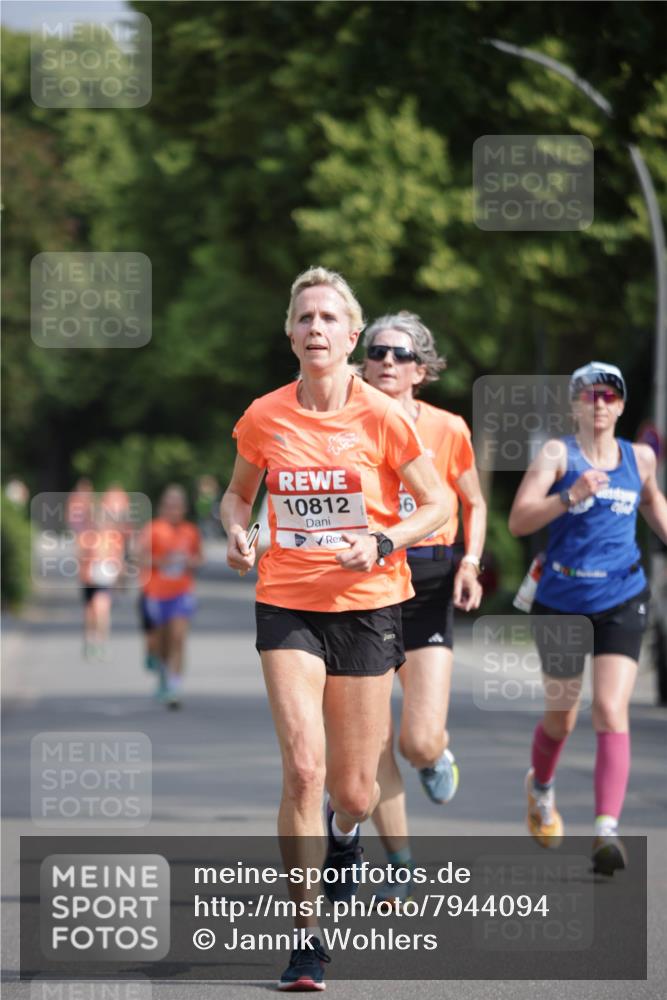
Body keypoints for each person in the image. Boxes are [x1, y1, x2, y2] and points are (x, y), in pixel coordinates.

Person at [221, 267, 448, 990]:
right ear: (290, 334)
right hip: (287, 602)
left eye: (327, 318)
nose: (315, 328)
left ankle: (345, 833)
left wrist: (382, 542)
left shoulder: (383, 416)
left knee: (352, 791)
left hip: (367, 605)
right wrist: (238, 534)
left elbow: (437, 503)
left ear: (350, 336)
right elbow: (237, 495)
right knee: (303, 769)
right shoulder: (265, 415)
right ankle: (305, 936)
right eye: (304, 317)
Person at [508, 361, 667, 875]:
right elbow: (519, 520)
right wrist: (569, 495)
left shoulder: (640, 458)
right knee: (563, 716)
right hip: (561, 599)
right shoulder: (558, 455)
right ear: (575, 404)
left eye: (609, 395)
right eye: (589, 395)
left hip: (622, 596)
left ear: (621, 406)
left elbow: (654, 505)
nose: (599, 404)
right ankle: (542, 787)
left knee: (611, 709)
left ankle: (606, 830)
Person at [361, 311, 487, 900]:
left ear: (422, 370)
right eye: (377, 351)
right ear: (363, 364)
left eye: (402, 354)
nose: (388, 361)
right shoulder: (346, 425)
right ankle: (400, 860)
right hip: (366, 584)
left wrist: (470, 562)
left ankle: (435, 755)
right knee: (372, 741)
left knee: (416, 741)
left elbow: (474, 502)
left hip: (431, 580)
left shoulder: (448, 428)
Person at [139, 485, 203, 709]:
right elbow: (140, 557)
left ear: (184, 508)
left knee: (178, 637)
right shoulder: (153, 529)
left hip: (181, 592)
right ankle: (163, 675)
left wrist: (191, 562)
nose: (174, 510)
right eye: (169, 506)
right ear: (162, 507)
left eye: (178, 506)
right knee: (160, 642)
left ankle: (175, 686)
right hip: (155, 593)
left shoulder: (190, 531)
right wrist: (162, 562)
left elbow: (199, 558)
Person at [77, 487, 127, 661]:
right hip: (89, 579)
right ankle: (90, 640)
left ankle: (102, 641)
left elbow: (118, 559)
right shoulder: (86, 537)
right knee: (90, 611)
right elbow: (79, 556)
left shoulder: (113, 538)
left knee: (102, 609)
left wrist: (120, 579)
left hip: (105, 580)